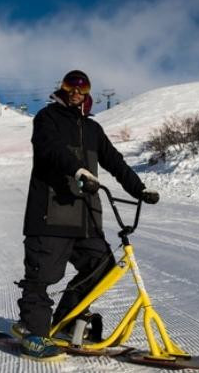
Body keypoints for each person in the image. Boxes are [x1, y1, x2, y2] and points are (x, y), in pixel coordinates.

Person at [14, 70, 159, 360]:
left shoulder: (93, 129)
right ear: (63, 88)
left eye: (83, 88)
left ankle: (65, 322)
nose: (77, 92)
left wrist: (139, 189)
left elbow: (115, 162)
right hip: (51, 214)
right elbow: (51, 151)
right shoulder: (47, 118)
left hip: (86, 218)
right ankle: (34, 334)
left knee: (101, 267)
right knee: (42, 275)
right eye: (71, 86)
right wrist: (79, 170)